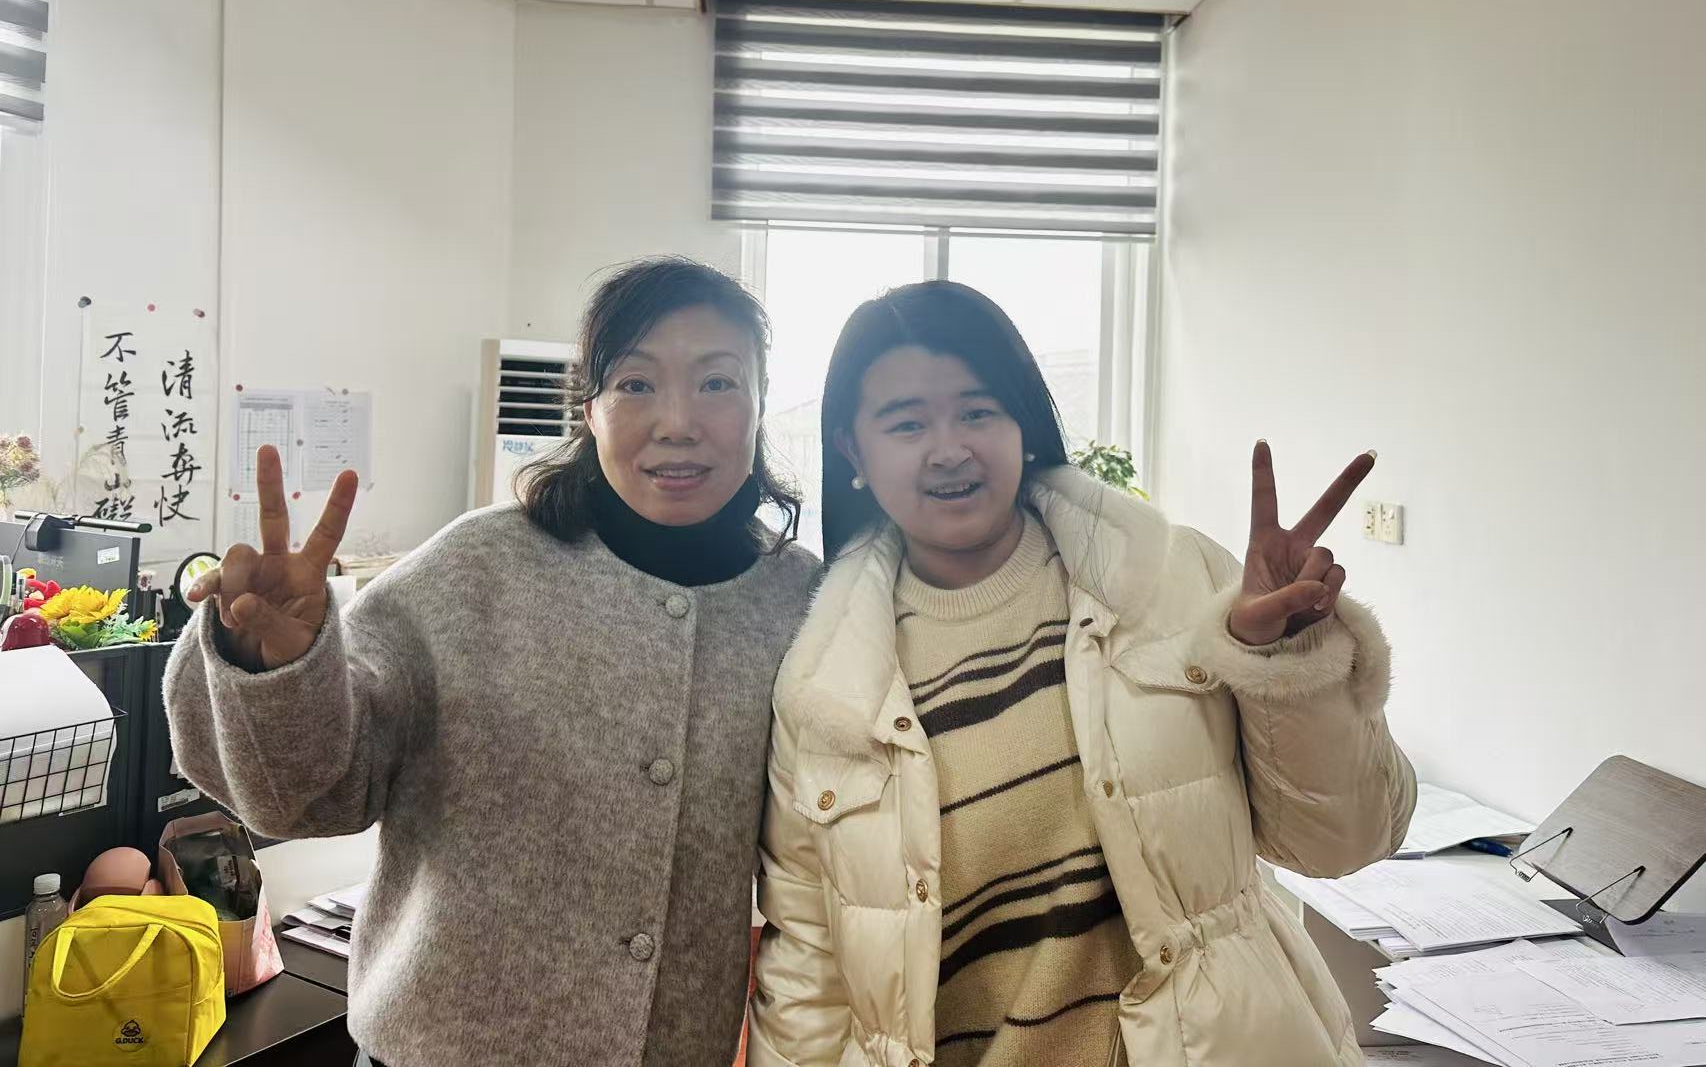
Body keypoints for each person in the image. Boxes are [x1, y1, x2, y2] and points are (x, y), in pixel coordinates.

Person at [165, 258, 821, 1067]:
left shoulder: (800, 600)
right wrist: (277, 666)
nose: (678, 422)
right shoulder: (473, 569)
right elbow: (305, 798)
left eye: (718, 382)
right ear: (589, 408)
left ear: (760, 400)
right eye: (636, 383)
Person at [747, 281, 1416, 1067]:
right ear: (853, 451)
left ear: (1022, 423)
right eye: (906, 423)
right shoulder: (824, 689)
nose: (949, 448)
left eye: (978, 411)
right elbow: (809, 973)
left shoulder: (1172, 582)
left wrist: (1289, 662)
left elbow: (1347, 839)